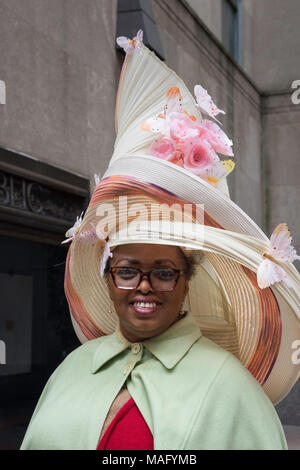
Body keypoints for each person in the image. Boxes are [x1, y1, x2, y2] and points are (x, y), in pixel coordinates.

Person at [20, 31, 300, 450]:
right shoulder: (72, 371)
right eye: (128, 270)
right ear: (109, 278)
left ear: (188, 280)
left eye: (164, 272)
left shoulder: (231, 390)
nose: (144, 286)